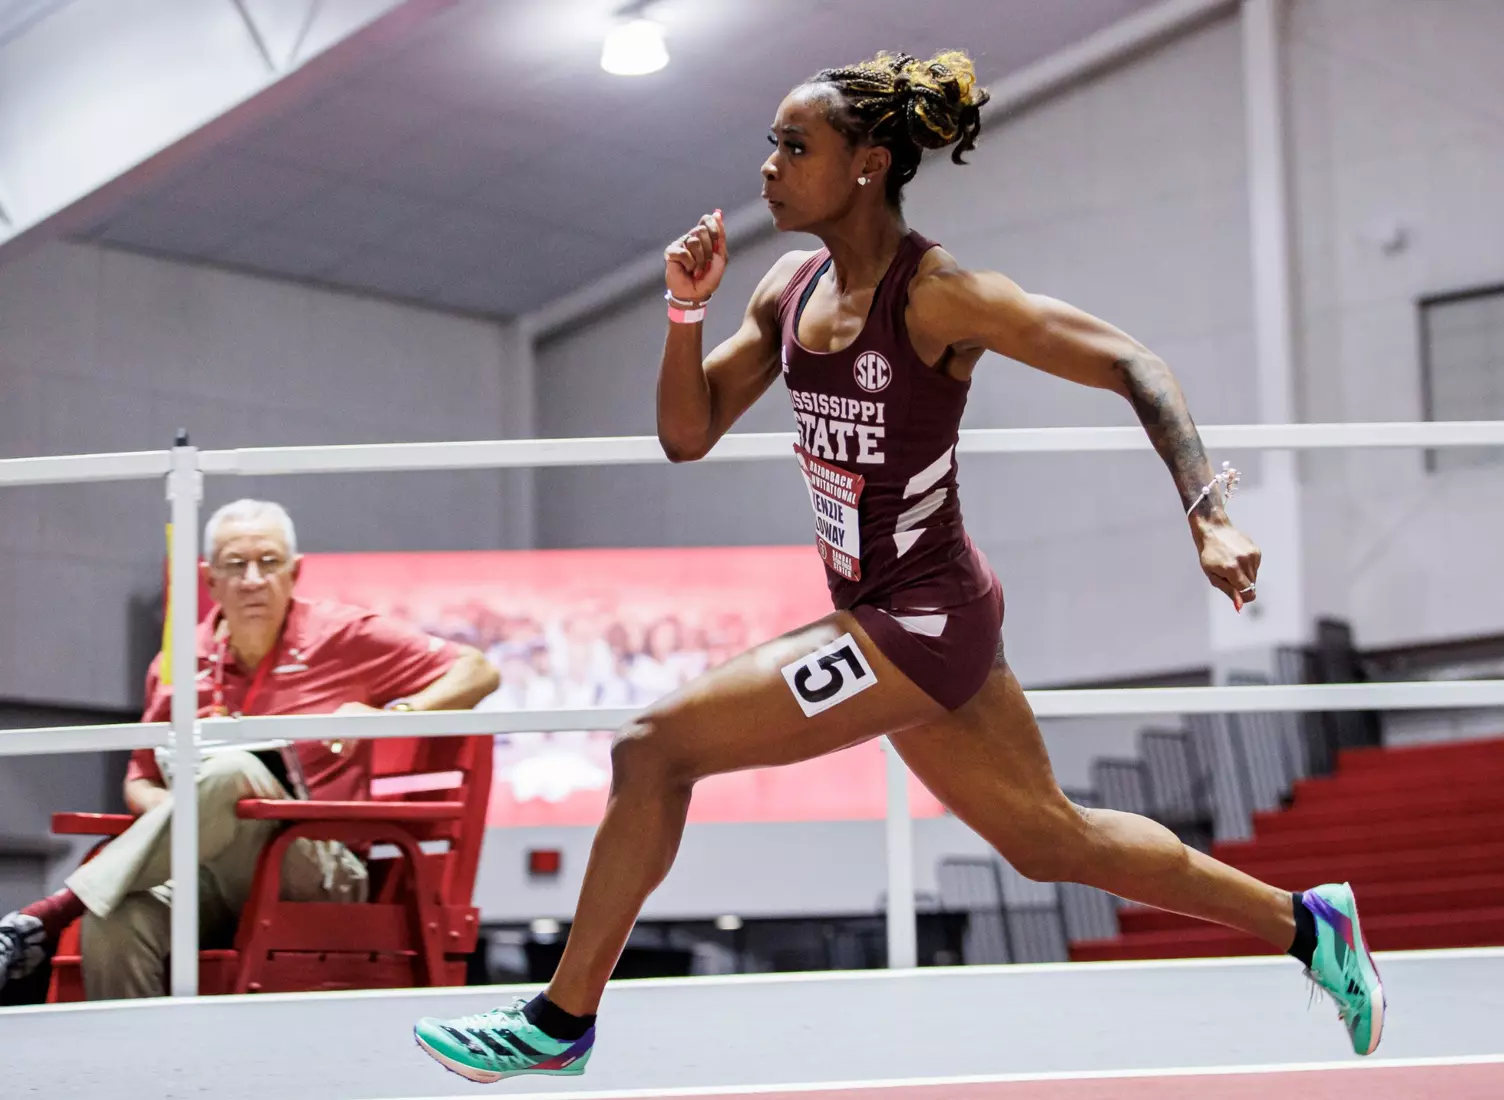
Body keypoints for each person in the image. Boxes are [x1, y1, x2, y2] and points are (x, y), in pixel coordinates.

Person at [413, 50, 1384, 1083]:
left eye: (794, 147)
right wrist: (683, 309)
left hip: (917, 623)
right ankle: (1307, 922)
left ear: (867, 164)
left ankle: (561, 1020)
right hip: (903, 614)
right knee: (1051, 841)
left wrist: (1207, 514)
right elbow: (685, 434)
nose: (767, 168)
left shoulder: (938, 296)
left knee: (653, 748)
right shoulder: (788, 288)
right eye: (770, 145)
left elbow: (1132, 362)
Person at [0, 499, 500, 999]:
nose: (253, 579)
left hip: (317, 867)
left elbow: (478, 670)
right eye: (235, 565)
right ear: (210, 579)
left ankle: (49, 913)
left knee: (235, 768)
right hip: (213, 872)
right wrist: (188, 804)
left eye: (269, 562)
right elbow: (141, 779)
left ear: (295, 572)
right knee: (114, 921)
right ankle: (143, 1070)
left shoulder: (343, 636)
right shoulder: (177, 664)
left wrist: (393, 716)